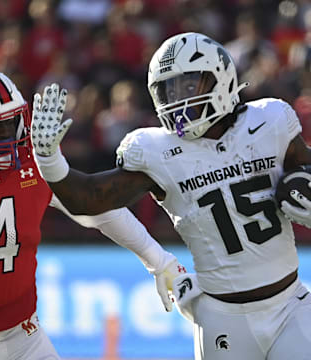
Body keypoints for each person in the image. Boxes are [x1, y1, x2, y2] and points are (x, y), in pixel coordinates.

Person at [31, 32, 311, 360]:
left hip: (290, 304)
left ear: (219, 78)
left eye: (188, 86)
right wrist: (49, 159)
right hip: (224, 316)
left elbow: (305, 167)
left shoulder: (269, 121)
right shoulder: (158, 151)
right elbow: (88, 199)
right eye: (169, 90)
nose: (178, 100)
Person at [0, 64, 186, 360]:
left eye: (14, 123)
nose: (12, 137)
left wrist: (158, 259)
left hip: (24, 335)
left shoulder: (29, 161)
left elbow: (95, 210)